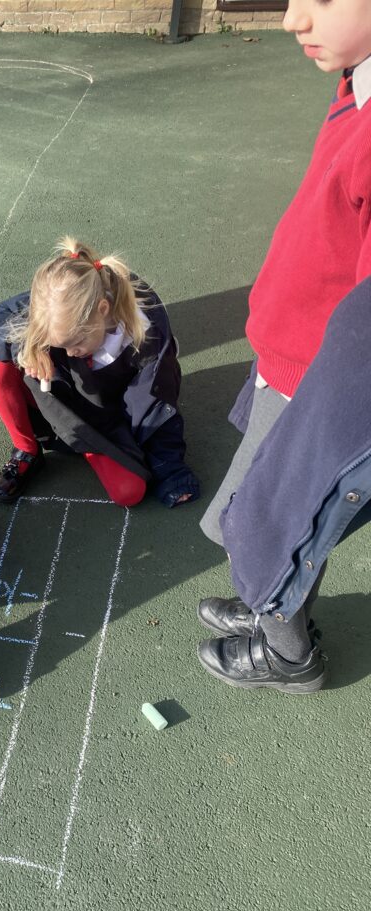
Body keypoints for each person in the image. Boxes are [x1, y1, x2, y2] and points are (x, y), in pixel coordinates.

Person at [196, 0, 371, 693]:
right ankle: (269, 605)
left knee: (275, 518)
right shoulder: (355, 87)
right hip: (291, 356)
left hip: (316, 378)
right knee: (266, 513)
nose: (294, 19)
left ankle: (288, 653)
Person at [0, 238, 200, 508]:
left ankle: (87, 445)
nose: (70, 353)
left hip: (103, 423)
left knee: (130, 492)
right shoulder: (56, 303)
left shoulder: (145, 339)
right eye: (62, 345)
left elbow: (156, 406)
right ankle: (26, 449)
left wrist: (171, 471)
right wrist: (26, 348)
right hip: (62, 405)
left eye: (76, 343)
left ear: (102, 310)